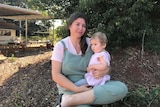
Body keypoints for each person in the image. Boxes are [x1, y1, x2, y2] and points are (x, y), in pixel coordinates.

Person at [51, 12, 128, 107]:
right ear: (69, 26)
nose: (81, 28)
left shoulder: (91, 43)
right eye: (77, 24)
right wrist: (76, 89)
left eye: (83, 26)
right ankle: (70, 98)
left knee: (122, 88)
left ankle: (70, 101)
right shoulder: (61, 46)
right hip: (70, 89)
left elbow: (104, 61)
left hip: (91, 86)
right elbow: (56, 75)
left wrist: (105, 71)